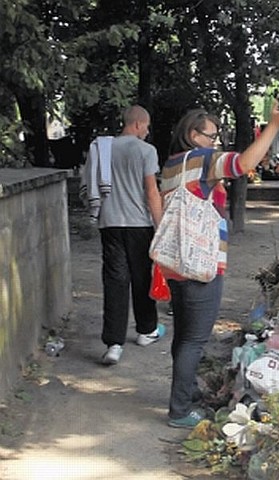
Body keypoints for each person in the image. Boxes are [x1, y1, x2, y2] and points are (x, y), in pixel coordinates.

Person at [159, 100, 279, 428]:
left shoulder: (172, 165)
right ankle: (178, 410)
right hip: (201, 263)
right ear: (193, 135)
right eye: (211, 136)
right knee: (195, 339)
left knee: (184, 335)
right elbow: (244, 163)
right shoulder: (203, 160)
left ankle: (187, 393)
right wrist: (274, 125)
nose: (214, 142)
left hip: (175, 262)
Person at [96, 105, 165, 365]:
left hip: (109, 222)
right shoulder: (146, 151)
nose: (146, 131)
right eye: (146, 126)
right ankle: (146, 331)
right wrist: (160, 227)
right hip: (138, 224)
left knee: (114, 280)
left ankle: (113, 344)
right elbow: (151, 191)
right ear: (137, 124)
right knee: (141, 278)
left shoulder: (102, 149)